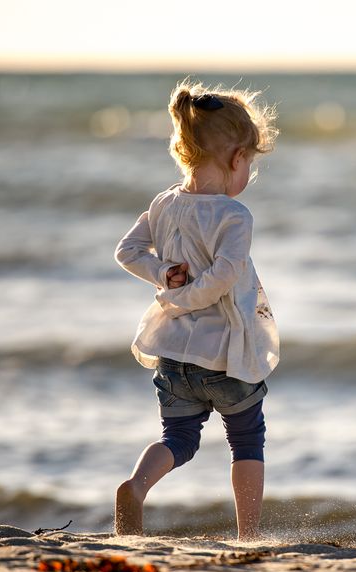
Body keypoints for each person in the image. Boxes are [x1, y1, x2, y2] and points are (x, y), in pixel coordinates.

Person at [113, 78, 279, 540]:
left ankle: (137, 485)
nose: (248, 174)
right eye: (250, 164)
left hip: (172, 353)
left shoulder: (164, 203)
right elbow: (224, 275)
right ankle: (248, 535)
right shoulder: (234, 215)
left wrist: (163, 273)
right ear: (237, 158)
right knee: (246, 438)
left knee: (178, 438)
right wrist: (181, 295)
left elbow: (127, 251)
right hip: (226, 354)